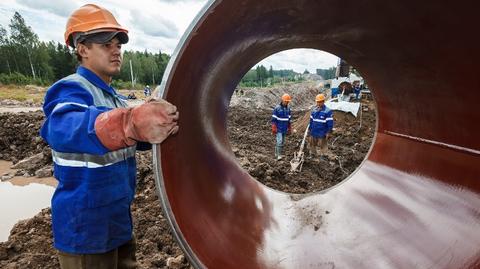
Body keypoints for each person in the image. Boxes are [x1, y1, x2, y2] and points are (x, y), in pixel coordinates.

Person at [40, 4, 179, 268]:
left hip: (118, 224)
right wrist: (130, 122)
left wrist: (156, 127)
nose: (116, 50)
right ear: (82, 49)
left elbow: (126, 140)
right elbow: (63, 128)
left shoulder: (114, 98)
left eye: (118, 44)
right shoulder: (71, 89)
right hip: (85, 233)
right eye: (106, 43)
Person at [308, 94, 334, 158]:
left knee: (323, 145)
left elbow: (330, 123)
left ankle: (324, 156)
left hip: (322, 132)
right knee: (312, 144)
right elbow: (311, 121)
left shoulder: (327, 111)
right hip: (314, 131)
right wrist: (310, 129)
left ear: (323, 101)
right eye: (317, 102)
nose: (318, 103)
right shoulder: (314, 110)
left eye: (320, 102)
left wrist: (328, 132)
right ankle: (313, 155)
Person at [271, 93, 292, 160]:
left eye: (288, 101)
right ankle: (279, 155)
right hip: (278, 128)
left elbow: (289, 119)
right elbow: (274, 119)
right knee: (279, 141)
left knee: (282, 141)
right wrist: (274, 127)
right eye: (286, 101)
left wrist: (289, 127)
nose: (287, 102)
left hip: (284, 128)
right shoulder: (277, 108)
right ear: (282, 100)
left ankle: (276, 154)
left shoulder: (288, 109)